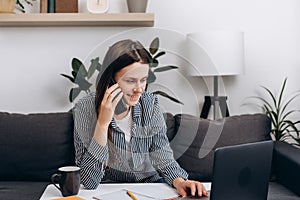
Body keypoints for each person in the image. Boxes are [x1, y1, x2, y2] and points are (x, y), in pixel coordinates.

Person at [73, 39, 208, 197]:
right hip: (109, 191)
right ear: (111, 80)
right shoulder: (84, 108)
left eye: (143, 80)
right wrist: (102, 124)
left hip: (150, 187)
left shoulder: (149, 104)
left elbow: (162, 157)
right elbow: (88, 181)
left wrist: (180, 182)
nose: (139, 89)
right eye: (130, 81)